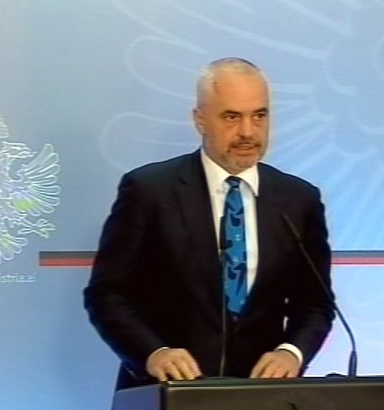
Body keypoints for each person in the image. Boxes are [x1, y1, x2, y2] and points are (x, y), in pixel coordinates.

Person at [84, 57, 335, 390]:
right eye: (231, 117)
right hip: (167, 392)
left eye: (259, 116)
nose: (247, 131)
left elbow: (316, 304)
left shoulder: (298, 199)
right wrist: (154, 354)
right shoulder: (150, 191)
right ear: (200, 119)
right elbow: (107, 295)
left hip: (260, 395)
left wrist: (291, 353)